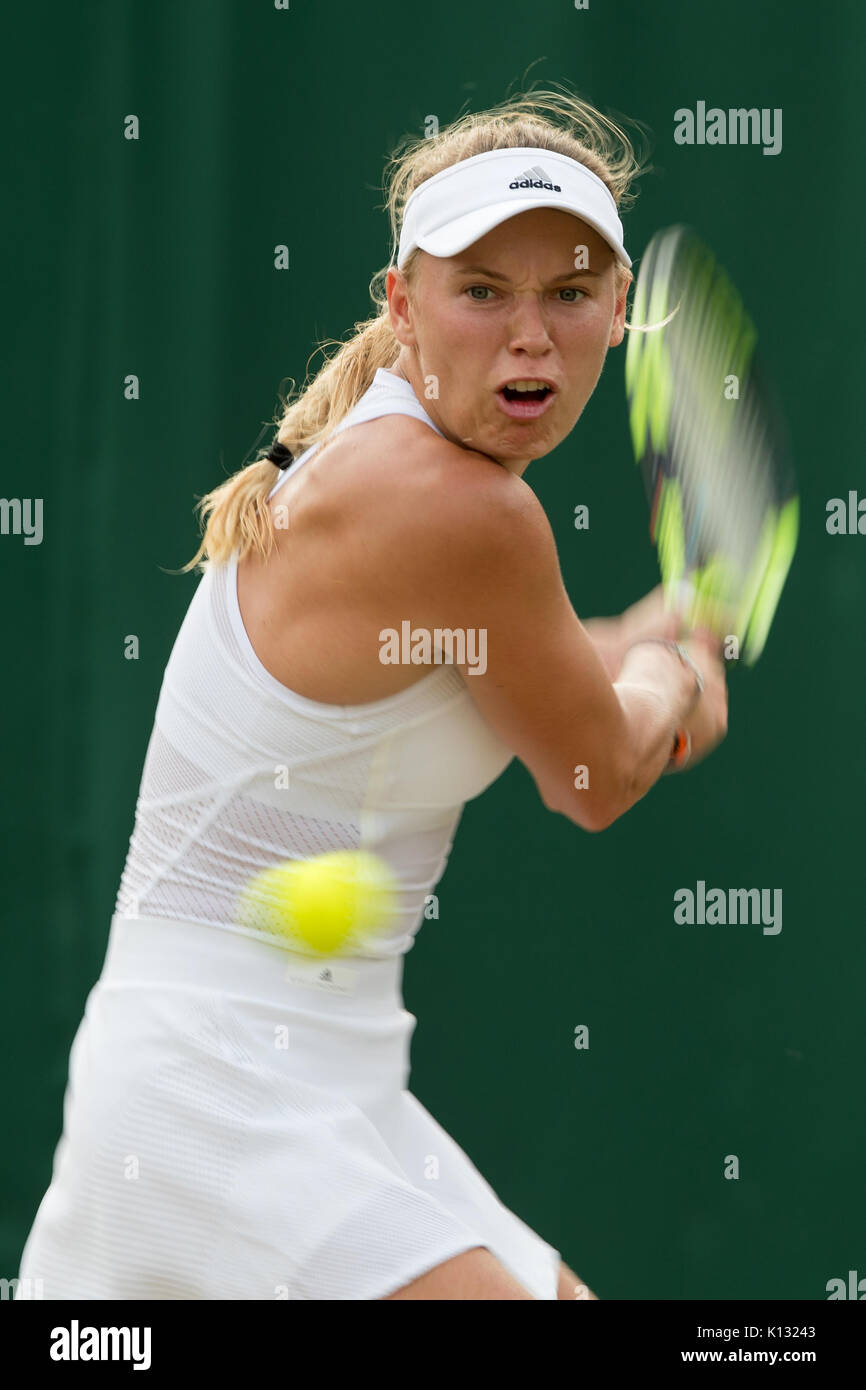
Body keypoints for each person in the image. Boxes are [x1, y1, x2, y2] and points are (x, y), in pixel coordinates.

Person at [16, 88, 727, 1302]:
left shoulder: (411, 465)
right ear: (402, 307)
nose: (529, 337)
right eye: (481, 292)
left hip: (319, 1082)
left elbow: (494, 670)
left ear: (618, 313)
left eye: (567, 293)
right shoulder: (463, 508)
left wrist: (628, 642)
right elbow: (591, 776)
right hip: (215, 1098)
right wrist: (671, 673)